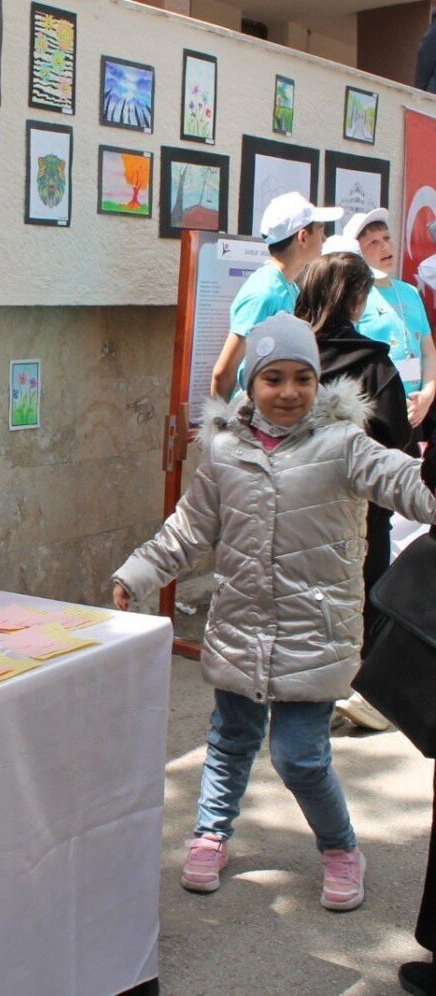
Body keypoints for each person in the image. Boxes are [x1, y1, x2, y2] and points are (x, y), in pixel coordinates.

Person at [111, 313, 436, 910]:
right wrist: (139, 572)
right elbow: (189, 529)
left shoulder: (343, 445)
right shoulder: (227, 452)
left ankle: (341, 849)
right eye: (274, 378)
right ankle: (211, 833)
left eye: (303, 379)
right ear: (251, 384)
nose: (289, 393)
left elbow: (402, 480)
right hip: (240, 627)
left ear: (318, 383)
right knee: (231, 739)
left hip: (317, 630)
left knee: (300, 756)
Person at [298, 249, 414, 732]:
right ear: (358, 299)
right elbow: (396, 436)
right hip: (360, 512)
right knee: (359, 595)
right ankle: (357, 690)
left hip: (293, 503)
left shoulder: (286, 353)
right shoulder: (372, 363)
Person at [210, 192, 341, 400]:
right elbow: (223, 373)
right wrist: (220, 426)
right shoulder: (264, 293)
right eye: (320, 230)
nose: (324, 239)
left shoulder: (290, 287)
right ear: (303, 237)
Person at [346, 208, 436, 428]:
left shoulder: (411, 292)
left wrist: (426, 395)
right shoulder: (355, 297)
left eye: (386, 238)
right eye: (373, 243)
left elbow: (428, 350)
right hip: (373, 413)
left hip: (415, 410)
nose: (385, 246)